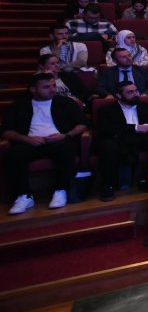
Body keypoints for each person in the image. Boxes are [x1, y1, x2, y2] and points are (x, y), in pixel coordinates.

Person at [4, 73, 88, 214]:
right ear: (33, 89)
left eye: (54, 85)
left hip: (58, 141)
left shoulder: (65, 102)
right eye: (46, 87)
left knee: (66, 149)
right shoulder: (18, 105)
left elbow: (83, 124)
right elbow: (6, 131)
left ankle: (60, 190)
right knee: (13, 155)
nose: (52, 89)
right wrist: (26, 139)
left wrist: (65, 135)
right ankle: (24, 195)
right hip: (30, 143)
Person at [94, 80, 148, 201]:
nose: (135, 94)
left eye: (136, 91)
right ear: (119, 95)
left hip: (140, 139)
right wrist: (135, 128)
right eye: (130, 92)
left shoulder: (144, 106)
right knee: (107, 146)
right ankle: (107, 186)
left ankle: (146, 179)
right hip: (118, 139)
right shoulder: (107, 110)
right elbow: (106, 128)